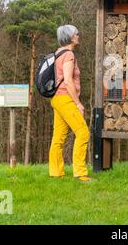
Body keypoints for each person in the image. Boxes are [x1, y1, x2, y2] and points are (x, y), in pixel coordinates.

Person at [49, 25, 92, 182]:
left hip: (56, 99)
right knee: (83, 132)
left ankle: (55, 172)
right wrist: (78, 103)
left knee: (58, 137)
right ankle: (80, 173)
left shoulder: (57, 53)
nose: (78, 36)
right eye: (76, 34)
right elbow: (67, 80)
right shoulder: (69, 55)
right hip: (66, 99)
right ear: (70, 37)